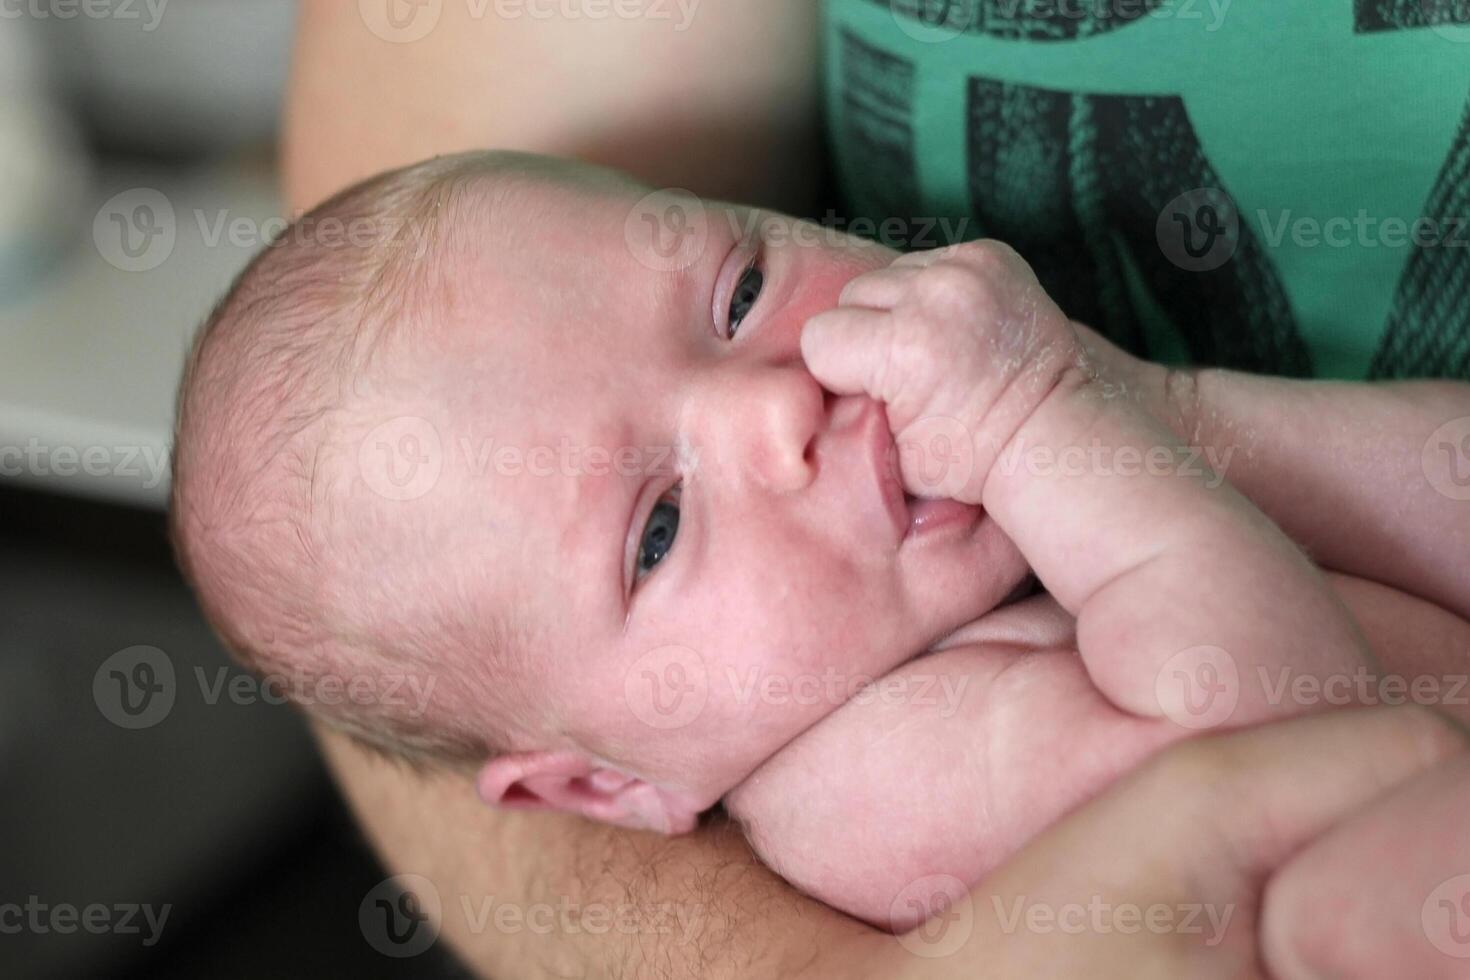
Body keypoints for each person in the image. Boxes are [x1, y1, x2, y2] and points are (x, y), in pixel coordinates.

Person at [274, 3, 1470, 975]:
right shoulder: (877, 769)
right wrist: (1041, 418)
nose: (773, 405)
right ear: (604, 783)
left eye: (739, 294)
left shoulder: (996, 577)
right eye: (661, 528)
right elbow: (1292, 757)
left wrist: (1148, 412)